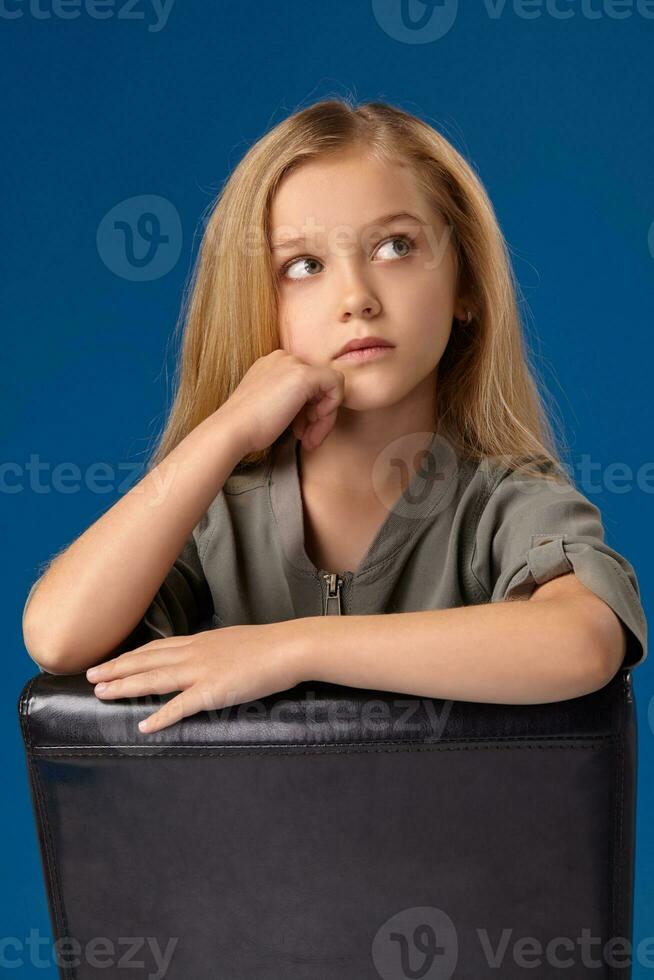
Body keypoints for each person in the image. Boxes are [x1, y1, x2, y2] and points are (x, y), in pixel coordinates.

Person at [22, 98, 647, 734]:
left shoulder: (505, 504)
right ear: (257, 304)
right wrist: (228, 426)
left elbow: (584, 641)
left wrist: (291, 649)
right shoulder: (214, 517)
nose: (357, 298)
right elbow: (57, 636)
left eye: (396, 246)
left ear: (466, 284)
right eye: (304, 265)